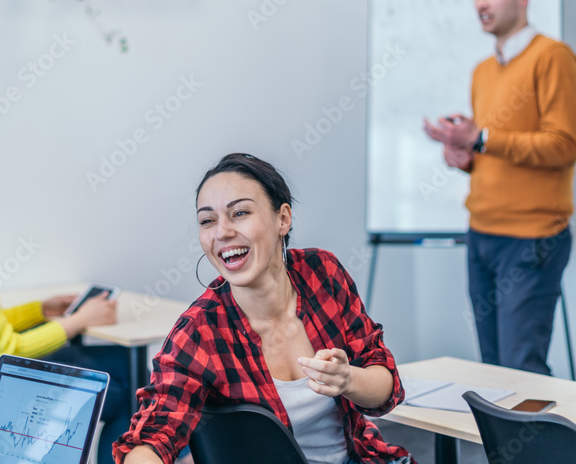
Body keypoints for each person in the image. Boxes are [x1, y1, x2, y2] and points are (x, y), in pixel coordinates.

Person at [114, 153, 412, 464]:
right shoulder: (199, 330)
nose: (222, 232)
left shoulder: (322, 272)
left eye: (240, 212)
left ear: (282, 218)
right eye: (207, 220)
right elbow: (153, 437)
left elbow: (387, 387)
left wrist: (347, 379)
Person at [423, 0, 576, 375]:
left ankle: (538, 445)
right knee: (494, 371)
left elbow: (563, 146)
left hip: (531, 240)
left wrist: (481, 138)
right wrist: (465, 156)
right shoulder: (482, 72)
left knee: (522, 371)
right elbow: (498, 152)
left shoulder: (553, 58)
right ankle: (504, 447)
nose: (480, 2)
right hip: (482, 236)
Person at [0, 140, 130, 464]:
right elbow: (9, 351)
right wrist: (77, 320)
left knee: (121, 363)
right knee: (128, 396)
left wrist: (41, 310)